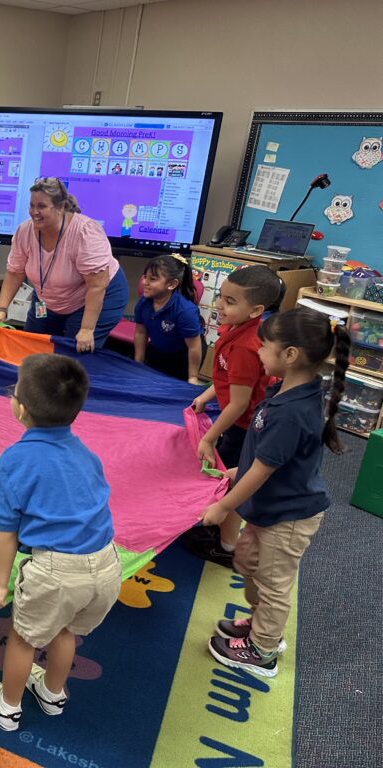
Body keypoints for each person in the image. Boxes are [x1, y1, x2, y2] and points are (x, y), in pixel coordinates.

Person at [201, 308, 350, 677]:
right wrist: (237, 469)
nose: (258, 352)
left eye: (263, 346)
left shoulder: (293, 411)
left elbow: (265, 469)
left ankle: (263, 649)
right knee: (246, 562)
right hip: (270, 509)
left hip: (289, 516)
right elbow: (268, 456)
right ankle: (260, 623)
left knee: (272, 583)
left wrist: (223, 506)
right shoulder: (282, 392)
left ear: (290, 355)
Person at [0, 354, 121, 731]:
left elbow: (6, 530)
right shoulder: (87, 455)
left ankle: (7, 706)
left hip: (56, 572)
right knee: (63, 631)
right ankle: (53, 694)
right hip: (105, 564)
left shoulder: (16, 460)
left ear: (21, 408)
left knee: (23, 638)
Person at [188, 265, 285, 567]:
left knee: (234, 481)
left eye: (230, 302)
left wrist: (210, 436)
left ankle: (226, 546)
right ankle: (222, 529)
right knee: (229, 474)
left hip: (247, 426)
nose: (219, 305)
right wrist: (206, 395)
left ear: (256, 310)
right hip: (242, 420)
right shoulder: (235, 329)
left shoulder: (245, 346)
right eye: (221, 296)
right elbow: (229, 379)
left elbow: (239, 403)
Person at [0, 177, 129, 353]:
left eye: (41, 206)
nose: (34, 212)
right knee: (33, 349)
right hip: (48, 299)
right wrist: (1, 310)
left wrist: (86, 329)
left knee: (71, 355)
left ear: (60, 207)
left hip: (97, 296)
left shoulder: (85, 232)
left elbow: (97, 286)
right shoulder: (24, 231)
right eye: (32, 205)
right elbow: (15, 272)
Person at [133, 253, 204, 383]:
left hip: (182, 356)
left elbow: (194, 347)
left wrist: (193, 377)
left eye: (152, 279)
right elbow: (140, 332)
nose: (145, 282)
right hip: (157, 350)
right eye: (145, 277)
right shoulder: (143, 303)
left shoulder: (185, 311)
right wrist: (138, 363)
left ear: (171, 284)